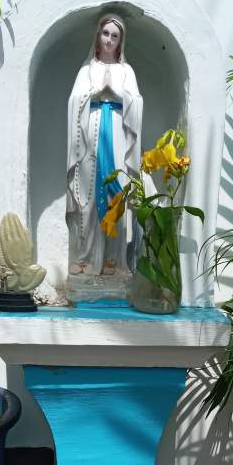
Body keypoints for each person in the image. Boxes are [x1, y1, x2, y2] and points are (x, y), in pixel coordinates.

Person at [66, 14, 144, 277]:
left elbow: (137, 103)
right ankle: (86, 258)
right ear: (97, 37)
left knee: (116, 193)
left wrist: (118, 93)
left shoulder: (127, 71)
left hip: (118, 136)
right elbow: (74, 100)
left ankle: (113, 260)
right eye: (105, 34)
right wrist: (94, 93)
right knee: (87, 195)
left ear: (121, 42)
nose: (109, 40)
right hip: (91, 135)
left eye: (114, 36)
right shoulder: (86, 70)